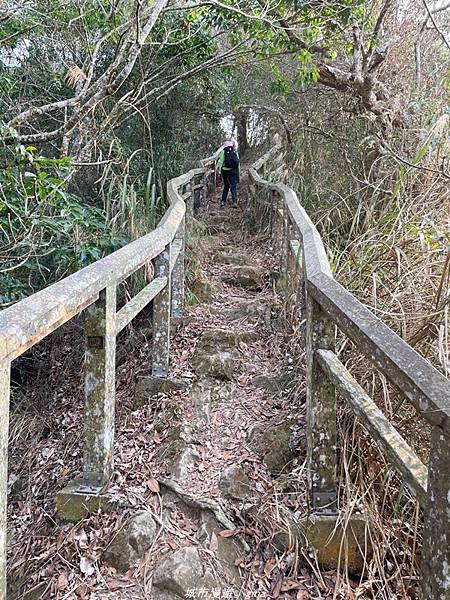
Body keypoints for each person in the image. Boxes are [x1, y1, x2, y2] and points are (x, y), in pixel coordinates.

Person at [216, 140, 240, 208]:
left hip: (226, 172)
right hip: (234, 172)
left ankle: (223, 202)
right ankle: (234, 202)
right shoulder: (235, 152)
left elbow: (220, 162)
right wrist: (238, 173)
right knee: (233, 187)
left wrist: (218, 172)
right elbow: (238, 164)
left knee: (226, 186)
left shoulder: (223, 152)